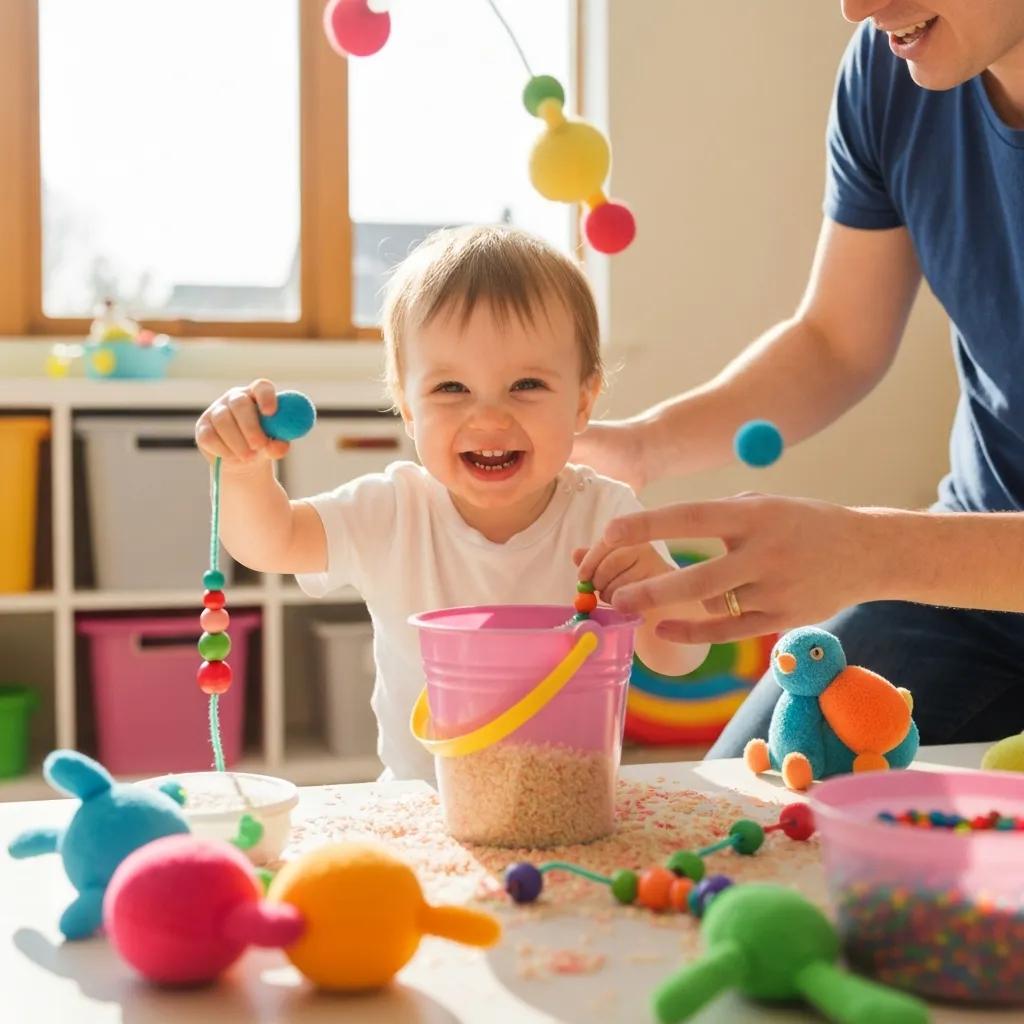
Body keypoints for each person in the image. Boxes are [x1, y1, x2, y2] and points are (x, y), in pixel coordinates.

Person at [573, 2, 1024, 754]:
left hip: (942, 564)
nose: (860, 7)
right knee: (747, 813)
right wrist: (641, 449)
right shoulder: (891, 70)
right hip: (961, 591)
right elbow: (835, 340)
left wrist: (873, 552)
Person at [195, 226, 709, 782]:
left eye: (527, 384)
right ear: (407, 407)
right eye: (451, 390)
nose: (489, 417)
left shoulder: (607, 515)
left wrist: (657, 595)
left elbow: (681, 657)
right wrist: (246, 475)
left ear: (583, 402)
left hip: (570, 800)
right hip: (423, 805)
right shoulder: (392, 509)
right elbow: (272, 544)